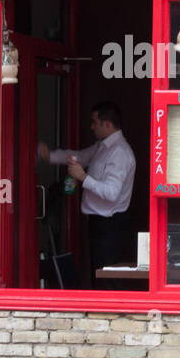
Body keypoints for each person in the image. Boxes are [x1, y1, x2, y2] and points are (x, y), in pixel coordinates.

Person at [39, 101, 136, 279]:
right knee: (98, 275)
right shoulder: (102, 146)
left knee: (107, 280)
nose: (91, 127)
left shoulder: (119, 152)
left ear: (107, 124)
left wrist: (83, 177)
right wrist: (50, 155)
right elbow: (81, 156)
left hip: (110, 227)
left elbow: (111, 193)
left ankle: (108, 308)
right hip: (99, 224)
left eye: (94, 122)